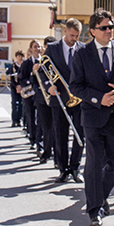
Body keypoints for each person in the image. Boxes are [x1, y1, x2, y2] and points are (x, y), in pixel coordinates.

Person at [69, 9, 114, 226]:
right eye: (104, 27)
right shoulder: (82, 53)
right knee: (94, 162)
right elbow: (75, 86)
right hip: (93, 116)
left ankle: (100, 197)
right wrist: (99, 98)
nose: (109, 30)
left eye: (111, 27)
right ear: (93, 31)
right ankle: (95, 210)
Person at [44, 18, 84, 184]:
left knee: (80, 133)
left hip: (79, 99)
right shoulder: (53, 48)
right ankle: (63, 170)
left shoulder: (83, 48)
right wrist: (48, 86)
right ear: (65, 31)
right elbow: (43, 69)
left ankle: (75, 168)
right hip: (59, 97)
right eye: (72, 35)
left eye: (77, 36)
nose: (75, 39)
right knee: (60, 134)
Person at [19, 40, 45, 160]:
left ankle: (39, 143)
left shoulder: (43, 61)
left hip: (41, 95)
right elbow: (21, 78)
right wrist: (30, 81)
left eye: (39, 46)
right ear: (30, 49)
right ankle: (33, 139)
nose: (37, 49)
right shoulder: (26, 63)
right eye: (35, 47)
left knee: (40, 119)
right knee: (31, 118)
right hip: (29, 95)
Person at [7, 51, 25, 128]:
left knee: (21, 104)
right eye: (18, 56)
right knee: (14, 104)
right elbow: (10, 77)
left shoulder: (24, 65)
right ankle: (14, 120)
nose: (20, 58)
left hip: (22, 87)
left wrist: (21, 86)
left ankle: (19, 120)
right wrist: (16, 86)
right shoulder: (13, 66)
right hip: (14, 87)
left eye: (21, 56)